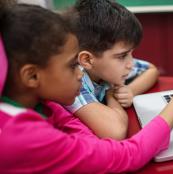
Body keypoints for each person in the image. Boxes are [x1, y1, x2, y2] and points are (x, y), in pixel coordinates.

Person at [0, 3, 173, 173]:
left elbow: (91, 142)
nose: (79, 72)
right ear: (31, 76)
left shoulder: (45, 104)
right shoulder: (23, 138)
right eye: (71, 66)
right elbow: (126, 152)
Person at [63, 0, 159, 140]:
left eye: (131, 53)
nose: (130, 64)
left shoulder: (106, 67)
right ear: (87, 60)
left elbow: (151, 70)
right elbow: (115, 132)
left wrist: (131, 90)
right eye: (122, 56)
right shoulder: (73, 80)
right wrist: (112, 94)